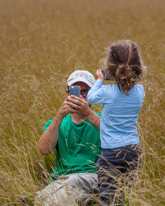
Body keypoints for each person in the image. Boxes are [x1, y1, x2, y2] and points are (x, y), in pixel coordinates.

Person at [87, 40, 145, 205]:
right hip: (133, 148)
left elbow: (91, 97)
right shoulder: (140, 92)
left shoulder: (106, 91)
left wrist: (99, 79)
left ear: (110, 68)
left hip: (111, 152)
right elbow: (127, 88)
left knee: (109, 197)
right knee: (129, 193)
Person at [35, 70, 101, 206]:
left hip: (93, 177)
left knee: (73, 183)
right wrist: (59, 116)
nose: (80, 97)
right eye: (76, 91)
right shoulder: (56, 122)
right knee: (42, 197)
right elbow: (44, 149)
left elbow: (117, 138)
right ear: (67, 93)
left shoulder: (102, 120)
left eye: (86, 91)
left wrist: (88, 114)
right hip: (61, 179)